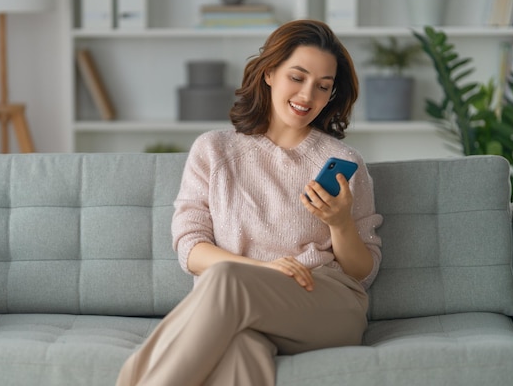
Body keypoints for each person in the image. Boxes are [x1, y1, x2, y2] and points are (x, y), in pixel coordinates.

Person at [115, 19, 383, 386]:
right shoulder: (214, 150)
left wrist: (340, 224)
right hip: (239, 306)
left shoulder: (343, 161)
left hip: (327, 303)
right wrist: (263, 271)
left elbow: (362, 272)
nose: (308, 96)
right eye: (297, 77)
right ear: (270, 72)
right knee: (240, 348)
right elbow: (190, 248)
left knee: (226, 281)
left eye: (323, 86)